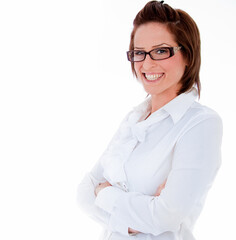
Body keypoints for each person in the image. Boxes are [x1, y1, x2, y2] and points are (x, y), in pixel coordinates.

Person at [76, 1, 223, 240]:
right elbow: (83, 194)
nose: (146, 63)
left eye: (161, 50)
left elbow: (166, 217)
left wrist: (104, 194)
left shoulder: (201, 124)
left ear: (188, 55)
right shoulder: (134, 119)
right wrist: (139, 218)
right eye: (139, 52)